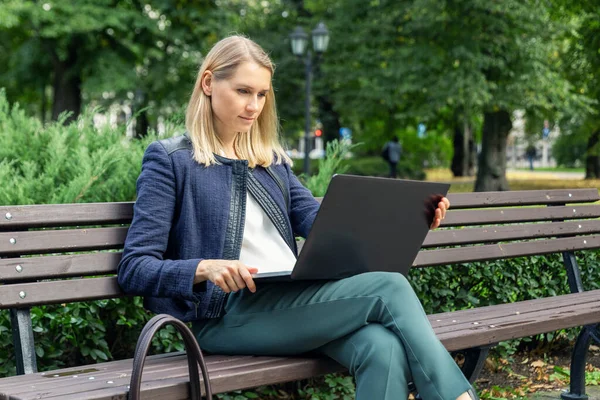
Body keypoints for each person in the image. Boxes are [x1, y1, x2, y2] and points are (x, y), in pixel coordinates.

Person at [117, 35, 478, 400]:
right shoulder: (171, 160)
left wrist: (411, 217)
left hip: (291, 298)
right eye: (244, 91)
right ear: (208, 83)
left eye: (262, 95)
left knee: (380, 348)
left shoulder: (270, 162)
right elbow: (135, 268)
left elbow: (328, 225)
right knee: (389, 287)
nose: (254, 105)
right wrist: (204, 268)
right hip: (223, 315)